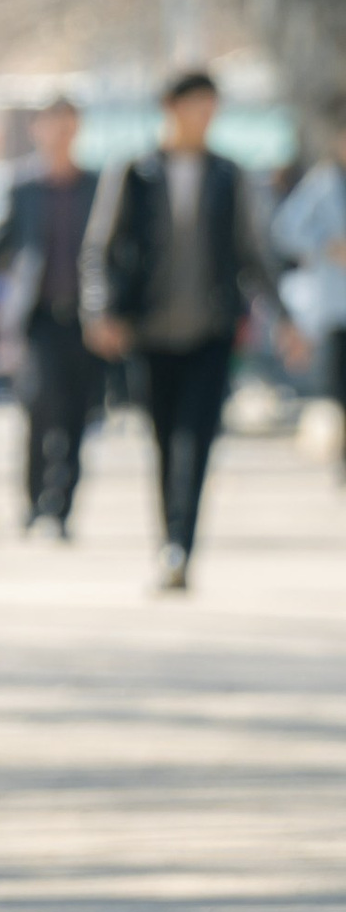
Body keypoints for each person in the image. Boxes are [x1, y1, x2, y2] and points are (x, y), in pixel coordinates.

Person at [85, 69, 280, 590]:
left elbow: (253, 253)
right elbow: (100, 250)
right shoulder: (135, 172)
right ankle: (168, 539)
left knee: (198, 437)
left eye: (212, 108)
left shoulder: (229, 175)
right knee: (164, 438)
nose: (205, 117)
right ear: (171, 108)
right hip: (149, 332)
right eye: (197, 106)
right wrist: (99, 312)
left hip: (212, 331)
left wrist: (283, 318)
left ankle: (180, 547)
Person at [0, 98, 104, 539]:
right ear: (39, 130)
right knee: (38, 406)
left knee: (78, 413)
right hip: (36, 318)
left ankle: (64, 507)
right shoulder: (24, 188)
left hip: (85, 318)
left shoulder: (96, 186)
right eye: (52, 126)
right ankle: (35, 499)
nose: (60, 135)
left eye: (68, 126)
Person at [274, 106, 346, 481]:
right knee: (339, 386)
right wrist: (326, 246)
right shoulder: (324, 183)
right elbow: (286, 229)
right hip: (336, 304)